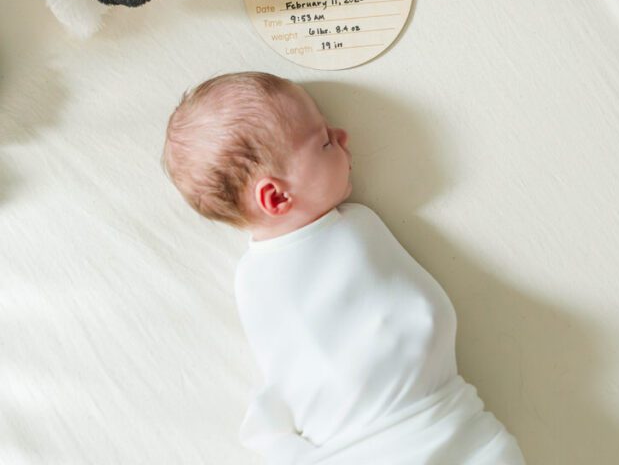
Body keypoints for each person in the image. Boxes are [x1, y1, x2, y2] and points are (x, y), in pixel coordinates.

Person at [163, 72, 526, 464]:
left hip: (446, 421)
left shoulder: (355, 225)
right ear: (276, 196)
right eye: (324, 141)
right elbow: (291, 372)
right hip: (362, 444)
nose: (343, 136)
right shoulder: (257, 281)